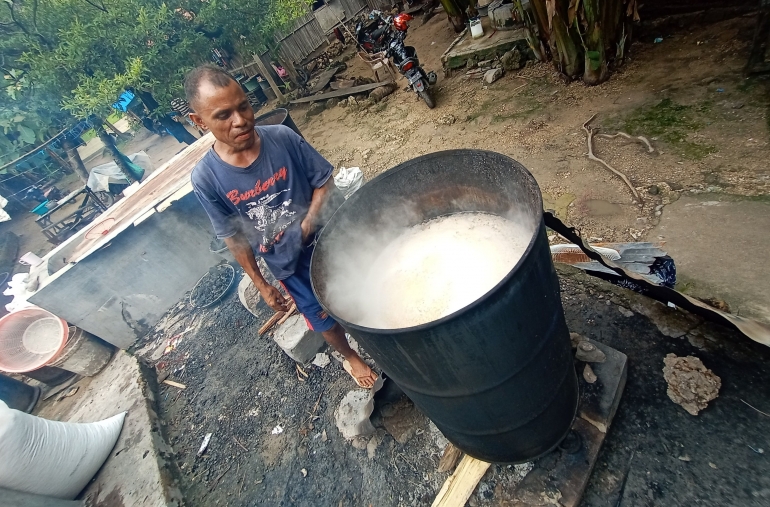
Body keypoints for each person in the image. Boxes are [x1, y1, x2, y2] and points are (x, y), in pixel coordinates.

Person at [184, 64, 378, 388]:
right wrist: (261, 284)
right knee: (321, 316)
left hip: (331, 236)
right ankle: (351, 356)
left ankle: (379, 327)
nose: (240, 120)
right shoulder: (206, 178)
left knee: (364, 284)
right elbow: (233, 236)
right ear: (199, 121)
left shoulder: (282, 138)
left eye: (243, 106)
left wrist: (306, 225)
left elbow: (324, 182)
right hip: (289, 264)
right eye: (223, 115)